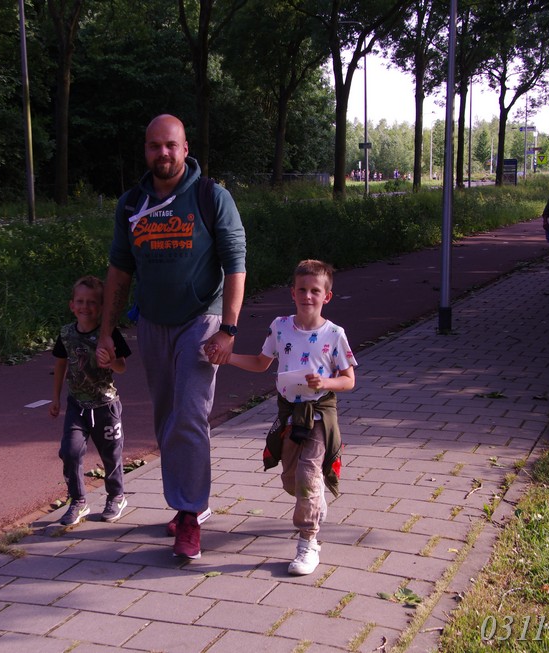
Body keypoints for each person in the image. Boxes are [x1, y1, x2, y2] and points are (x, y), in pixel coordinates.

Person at [96, 114, 247, 559]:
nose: (162, 153)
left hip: (202, 320)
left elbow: (235, 264)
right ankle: (188, 501)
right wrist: (106, 331)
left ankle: (188, 513)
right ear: (145, 150)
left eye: (170, 145)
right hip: (153, 323)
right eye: (154, 145)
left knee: (189, 415)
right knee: (166, 417)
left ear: (185, 149)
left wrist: (229, 329)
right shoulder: (132, 203)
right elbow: (119, 270)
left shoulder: (211, 197)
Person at [223, 259, 356, 575]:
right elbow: (260, 363)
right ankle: (315, 498)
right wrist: (227, 358)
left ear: (326, 296)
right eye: (302, 289)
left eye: (315, 291)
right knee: (291, 478)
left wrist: (325, 382)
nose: (308, 296)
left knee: (308, 475)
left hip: (319, 414)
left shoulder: (334, 334)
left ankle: (308, 542)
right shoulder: (280, 327)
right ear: (292, 293)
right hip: (289, 415)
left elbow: (349, 380)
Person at [50, 275, 132, 525]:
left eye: (92, 302)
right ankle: (78, 501)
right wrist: (55, 398)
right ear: (72, 305)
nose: (85, 307)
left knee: (111, 455)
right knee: (70, 452)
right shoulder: (66, 334)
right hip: (77, 406)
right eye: (80, 301)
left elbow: (122, 367)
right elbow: (60, 365)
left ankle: (116, 496)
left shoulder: (109, 334)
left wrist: (111, 361)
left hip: (106, 406)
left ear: (102, 307)